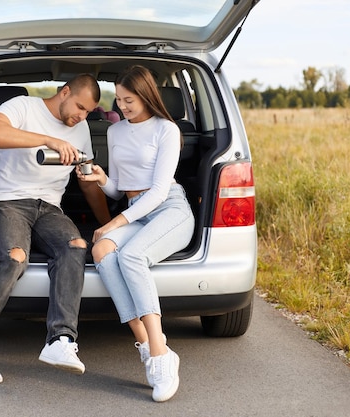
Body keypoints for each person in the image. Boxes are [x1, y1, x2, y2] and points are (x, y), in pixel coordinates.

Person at [0, 74, 109, 384]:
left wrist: (107, 224)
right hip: (8, 201)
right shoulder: (23, 107)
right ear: (64, 92)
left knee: (76, 246)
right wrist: (46, 139)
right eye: (79, 107)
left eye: (88, 113)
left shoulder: (80, 129)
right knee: (13, 257)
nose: (81, 117)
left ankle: (60, 341)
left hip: (50, 208)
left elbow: (87, 180)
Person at [77, 65, 195, 402]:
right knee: (101, 251)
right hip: (134, 212)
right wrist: (101, 179)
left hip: (168, 209)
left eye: (128, 100)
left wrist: (115, 223)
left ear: (146, 96)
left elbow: (157, 192)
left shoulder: (166, 130)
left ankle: (159, 356)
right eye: (119, 100)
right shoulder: (115, 133)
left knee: (130, 256)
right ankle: (147, 342)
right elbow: (119, 191)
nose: (122, 106)